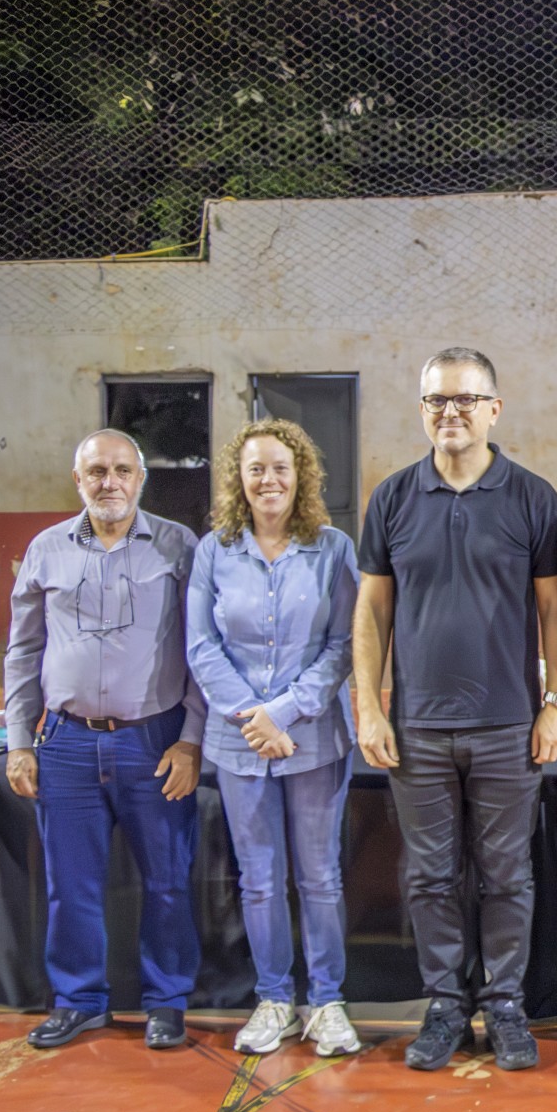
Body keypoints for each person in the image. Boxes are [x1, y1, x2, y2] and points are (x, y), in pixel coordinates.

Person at [354, 347, 557, 1072]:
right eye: (436, 400)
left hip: (508, 725)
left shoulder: (532, 497)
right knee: (430, 876)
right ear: (422, 410)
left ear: (493, 410)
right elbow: (372, 611)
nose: (450, 412)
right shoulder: (391, 498)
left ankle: (504, 1004)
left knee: (507, 875)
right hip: (417, 728)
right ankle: (446, 1003)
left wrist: (555, 703)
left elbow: (555, 611)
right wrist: (370, 707)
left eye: (465, 399)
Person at [5, 429, 205, 1051]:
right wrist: (19, 740)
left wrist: (191, 740)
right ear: (78, 479)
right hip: (65, 743)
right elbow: (23, 650)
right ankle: (80, 1001)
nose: (109, 482)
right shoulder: (46, 550)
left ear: (140, 479)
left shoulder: (179, 546)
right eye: (96, 471)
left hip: (154, 741)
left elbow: (202, 651)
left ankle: (166, 1001)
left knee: (167, 881)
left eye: (121, 470)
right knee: (71, 886)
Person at [185, 419, 362, 1058]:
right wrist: (252, 719)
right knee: (258, 880)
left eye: (280, 468)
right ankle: (275, 1000)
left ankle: (327, 1003)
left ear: (300, 476)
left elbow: (344, 646)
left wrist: (282, 713)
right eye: (255, 468)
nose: (268, 480)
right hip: (240, 745)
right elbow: (201, 646)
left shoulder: (334, 548)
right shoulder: (214, 551)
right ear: (239, 478)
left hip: (314, 739)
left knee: (319, 878)